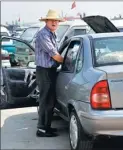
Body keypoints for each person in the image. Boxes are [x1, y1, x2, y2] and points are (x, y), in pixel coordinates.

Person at [35, 9, 64, 137]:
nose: (54, 22)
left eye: (56, 20)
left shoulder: (52, 34)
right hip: (44, 71)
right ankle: (41, 129)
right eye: (51, 20)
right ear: (46, 21)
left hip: (51, 71)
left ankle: (47, 127)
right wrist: (68, 62)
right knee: (45, 100)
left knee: (50, 101)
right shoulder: (43, 34)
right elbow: (54, 55)